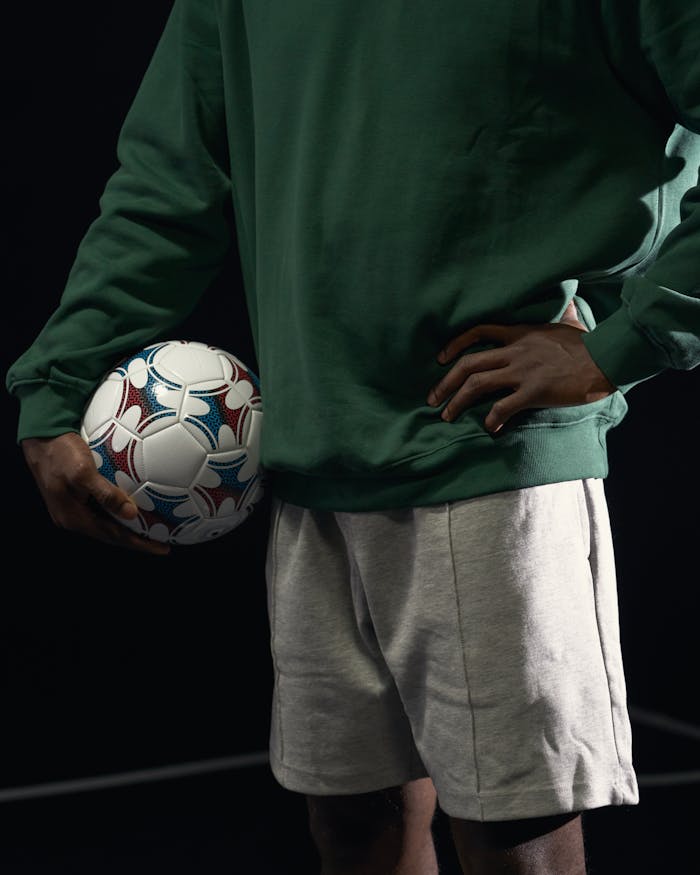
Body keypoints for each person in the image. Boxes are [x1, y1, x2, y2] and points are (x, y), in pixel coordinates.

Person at [7, 2, 700, 873]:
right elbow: (170, 183)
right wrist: (60, 379)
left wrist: (621, 343)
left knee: (512, 833)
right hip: (312, 454)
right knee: (353, 825)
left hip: (491, 454)